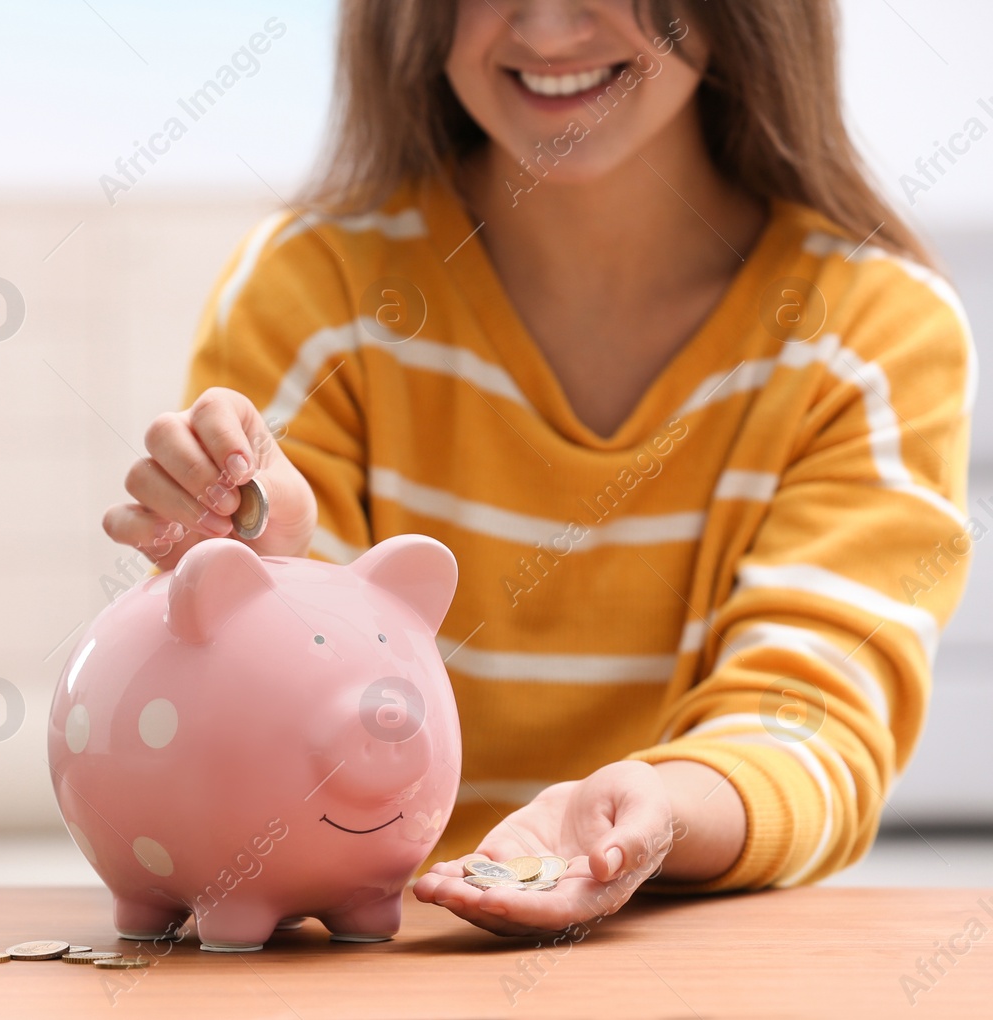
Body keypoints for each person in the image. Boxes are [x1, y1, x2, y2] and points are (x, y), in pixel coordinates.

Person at [101, 0, 975, 937]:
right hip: (355, 960)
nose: (550, 29)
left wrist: (654, 814)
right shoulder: (314, 293)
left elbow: (809, 722)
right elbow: (252, 758)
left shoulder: (872, 336)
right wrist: (270, 582)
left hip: (685, 959)